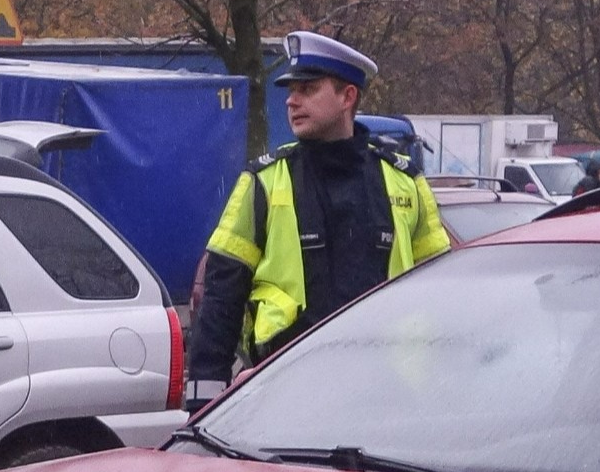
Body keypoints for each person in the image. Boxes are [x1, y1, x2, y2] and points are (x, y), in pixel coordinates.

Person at [183, 31, 449, 411]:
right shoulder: (263, 182)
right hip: (288, 399)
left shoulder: (405, 182)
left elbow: (441, 294)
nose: (292, 101)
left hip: (392, 402)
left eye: (308, 89)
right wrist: (204, 407)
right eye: (291, 91)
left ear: (348, 96)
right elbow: (220, 300)